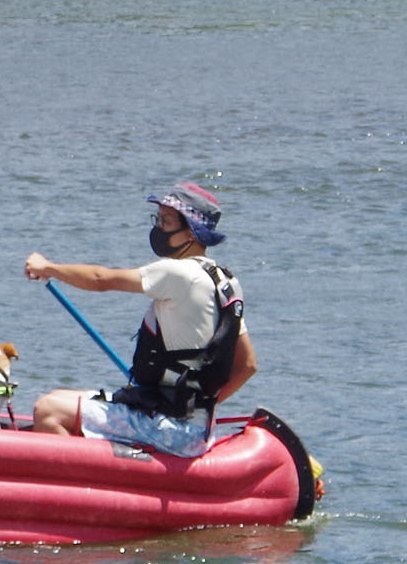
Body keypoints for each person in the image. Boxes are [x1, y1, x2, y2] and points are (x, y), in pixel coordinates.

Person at [24, 183, 256, 457]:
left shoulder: (177, 272)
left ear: (192, 232)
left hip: (171, 430)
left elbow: (101, 280)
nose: (158, 228)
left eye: (166, 222)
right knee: (62, 397)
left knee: (49, 410)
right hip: (191, 426)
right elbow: (248, 365)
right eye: (157, 220)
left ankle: (81, 489)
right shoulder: (224, 282)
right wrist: (196, 406)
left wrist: (48, 267)